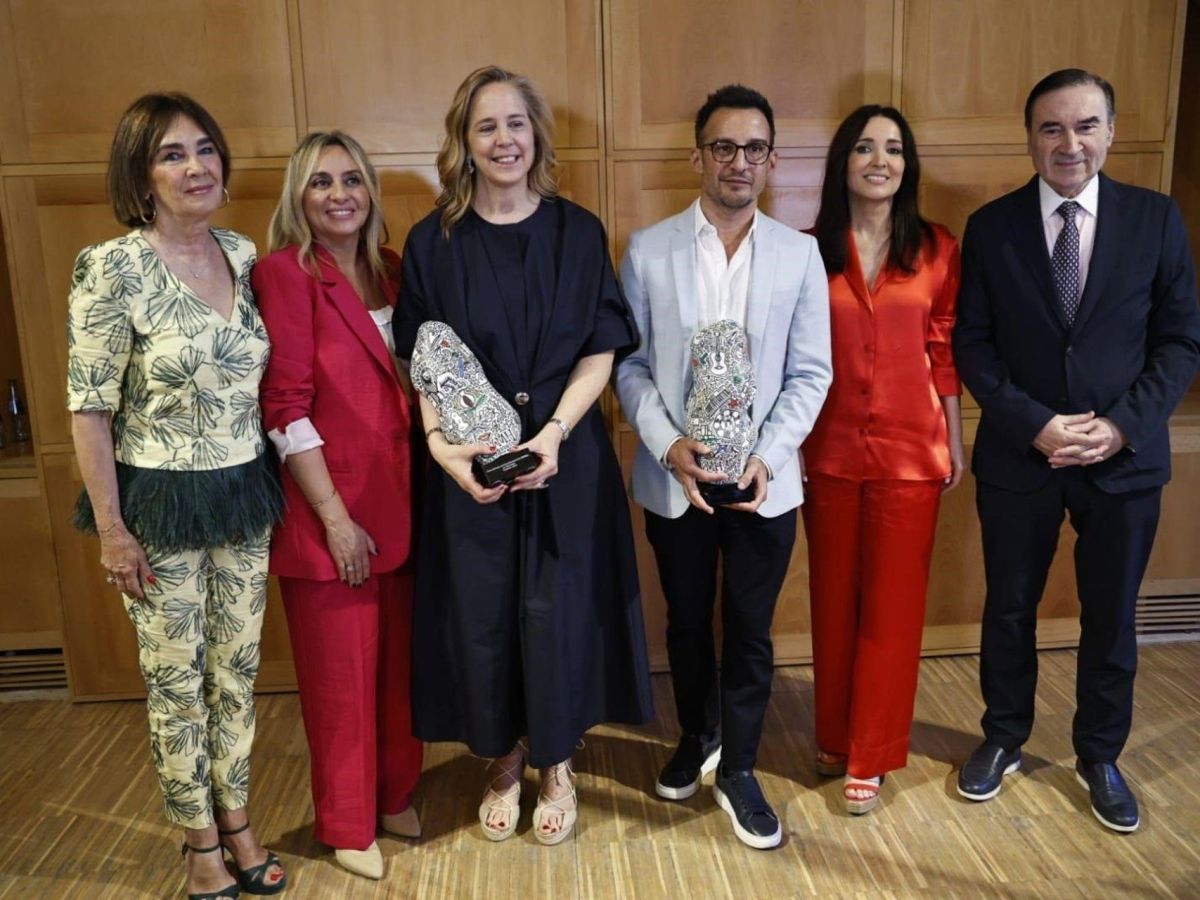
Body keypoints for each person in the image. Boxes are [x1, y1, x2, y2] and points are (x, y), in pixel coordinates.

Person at [393, 65, 653, 846]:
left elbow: (600, 347)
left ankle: (558, 760)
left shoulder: (578, 232)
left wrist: (556, 434)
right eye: (486, 126)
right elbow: (425, 360)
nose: (503, 139)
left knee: (559, 615)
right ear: (464, 143)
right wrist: (442, 451)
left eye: (516, 123)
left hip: (564, 459)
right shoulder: (431, 242)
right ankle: (503, 758)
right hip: (470, 468)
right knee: (484, 616)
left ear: (535, 134)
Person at [953, 69, 1200, 833]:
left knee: (1111, 616)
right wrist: (1035, 423)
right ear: (1030, 138)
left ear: (1111, 132)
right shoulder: (991, 227)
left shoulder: (1156, 219)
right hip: (1020, 456)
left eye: (1086, 125)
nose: (1070, 143)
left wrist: (1121, 426)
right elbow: (972, 344)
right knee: (1009, 608)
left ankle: (1100, 755)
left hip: (1124, 461)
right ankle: (1003, 736)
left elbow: (1180, 341)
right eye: (1052, 128)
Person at [67, 93, 286, 899]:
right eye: (171, 154)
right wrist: (112, 531)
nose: (196, 167)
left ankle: (237, 819)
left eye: (205, 149)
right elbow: (89, 409)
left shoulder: (243, 252)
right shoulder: (111, 267)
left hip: (242, 492)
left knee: (236, 672)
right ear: (141, 176)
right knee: (176, 686)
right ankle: (199, 843)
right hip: (156, 504)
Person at [614, 84, 832, 849]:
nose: (739, 161)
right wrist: (667, 444)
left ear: (771, 161)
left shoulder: (800, 254)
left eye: (754, 148)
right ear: (699, 156)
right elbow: (629, 365)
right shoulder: (649, 249)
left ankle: (739, 767)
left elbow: (811, 373)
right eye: (724, 146)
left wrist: (770, 456)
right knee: (684, 620)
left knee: (749, 627)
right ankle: (696, 734)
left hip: (764, 483)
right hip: (677, 477)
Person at [254, 131, 423, 879]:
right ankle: (348, 823)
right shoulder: (285, 275)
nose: (339, 194)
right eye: (320, 182)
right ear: (299, 195)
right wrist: (334, 519)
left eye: (351, 179)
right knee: (341, 685)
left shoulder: (391, 269)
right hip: (332, 517)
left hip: (405, 506)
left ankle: (394, 794)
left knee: (398, 672)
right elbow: (285, 406)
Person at [802, 105, 963, 815]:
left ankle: (871, 752)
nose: (879, 160)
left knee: (893, 611)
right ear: (843, 161)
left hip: (910, 450)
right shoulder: (808, 251)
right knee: (833, 600)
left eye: (893, 149)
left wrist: (954, 438)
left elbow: (943, 347)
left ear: (908, 165)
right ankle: (834, 735)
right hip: (828, 449)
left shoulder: (937, 248)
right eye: (864, 147)